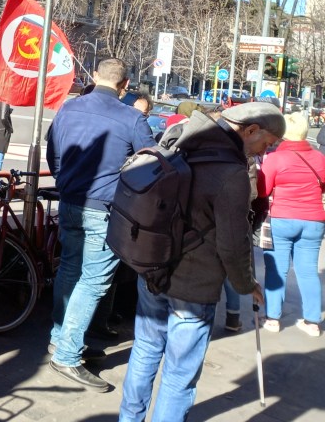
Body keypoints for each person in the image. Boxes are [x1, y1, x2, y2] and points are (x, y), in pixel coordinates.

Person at [119, 102, 282, 421]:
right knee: (179, 375)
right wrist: (246, 284)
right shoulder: (232, 173)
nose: (265, 152)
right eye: (267, 143)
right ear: (250, 130)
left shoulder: (178, 139)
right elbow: (233, 245)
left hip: (153, 266)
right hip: (194, 285)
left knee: (145, 351)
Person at [47, 57, 157, 392]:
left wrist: (65, 181)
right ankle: (66, 354)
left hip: (71, 201)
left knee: (70, 270)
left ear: (95, 76)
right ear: (125, 85)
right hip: (103, 207)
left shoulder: (69, 108)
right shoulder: (132, 118)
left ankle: (61, 339)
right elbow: (152, 165)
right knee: (93, 281)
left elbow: (54, 153)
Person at [258, 112, 325, 336]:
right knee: (308, 271)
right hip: (314, 220)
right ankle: (312, 322)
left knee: (277, 269)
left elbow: (263, 190)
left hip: (282, 218)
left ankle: (272, 318)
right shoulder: (320, 158)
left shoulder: (275, 158)